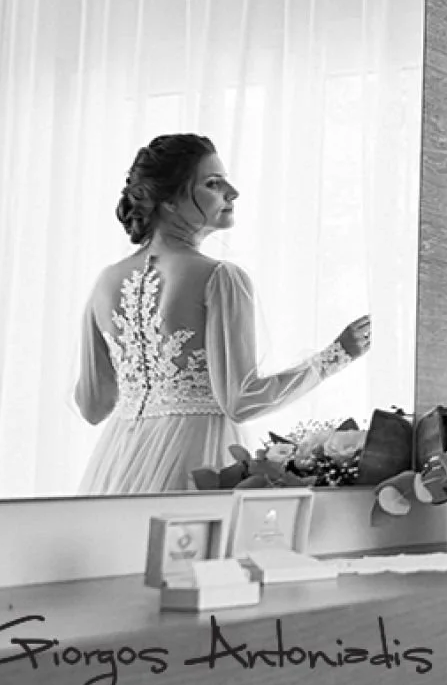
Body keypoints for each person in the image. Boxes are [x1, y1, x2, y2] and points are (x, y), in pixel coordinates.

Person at [73, 134, 373, 494]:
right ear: (169, 201)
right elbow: (242, 401)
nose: (232, 192)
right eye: (213, 183)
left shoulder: (105, 282)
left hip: (118, 461)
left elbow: (93, 407)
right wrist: (334, 357)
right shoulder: (220, 277)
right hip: (196, 454)